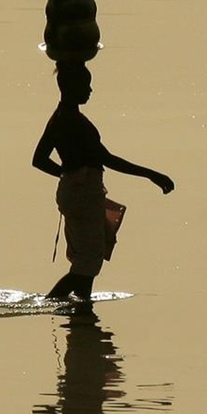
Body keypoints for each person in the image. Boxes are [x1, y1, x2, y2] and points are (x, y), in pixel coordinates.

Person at [32, 63, 174, 300]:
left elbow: (39, 160)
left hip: (76, 192)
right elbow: (107, 159)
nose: (90, 90)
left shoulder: (58, 118)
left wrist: (68, 175)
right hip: (81, 194)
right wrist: (152, 175)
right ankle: (48, 304)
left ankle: (82, 312)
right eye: (85, 85)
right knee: (87, 263)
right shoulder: (73, 121)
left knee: (88, 260)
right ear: (70, 87)